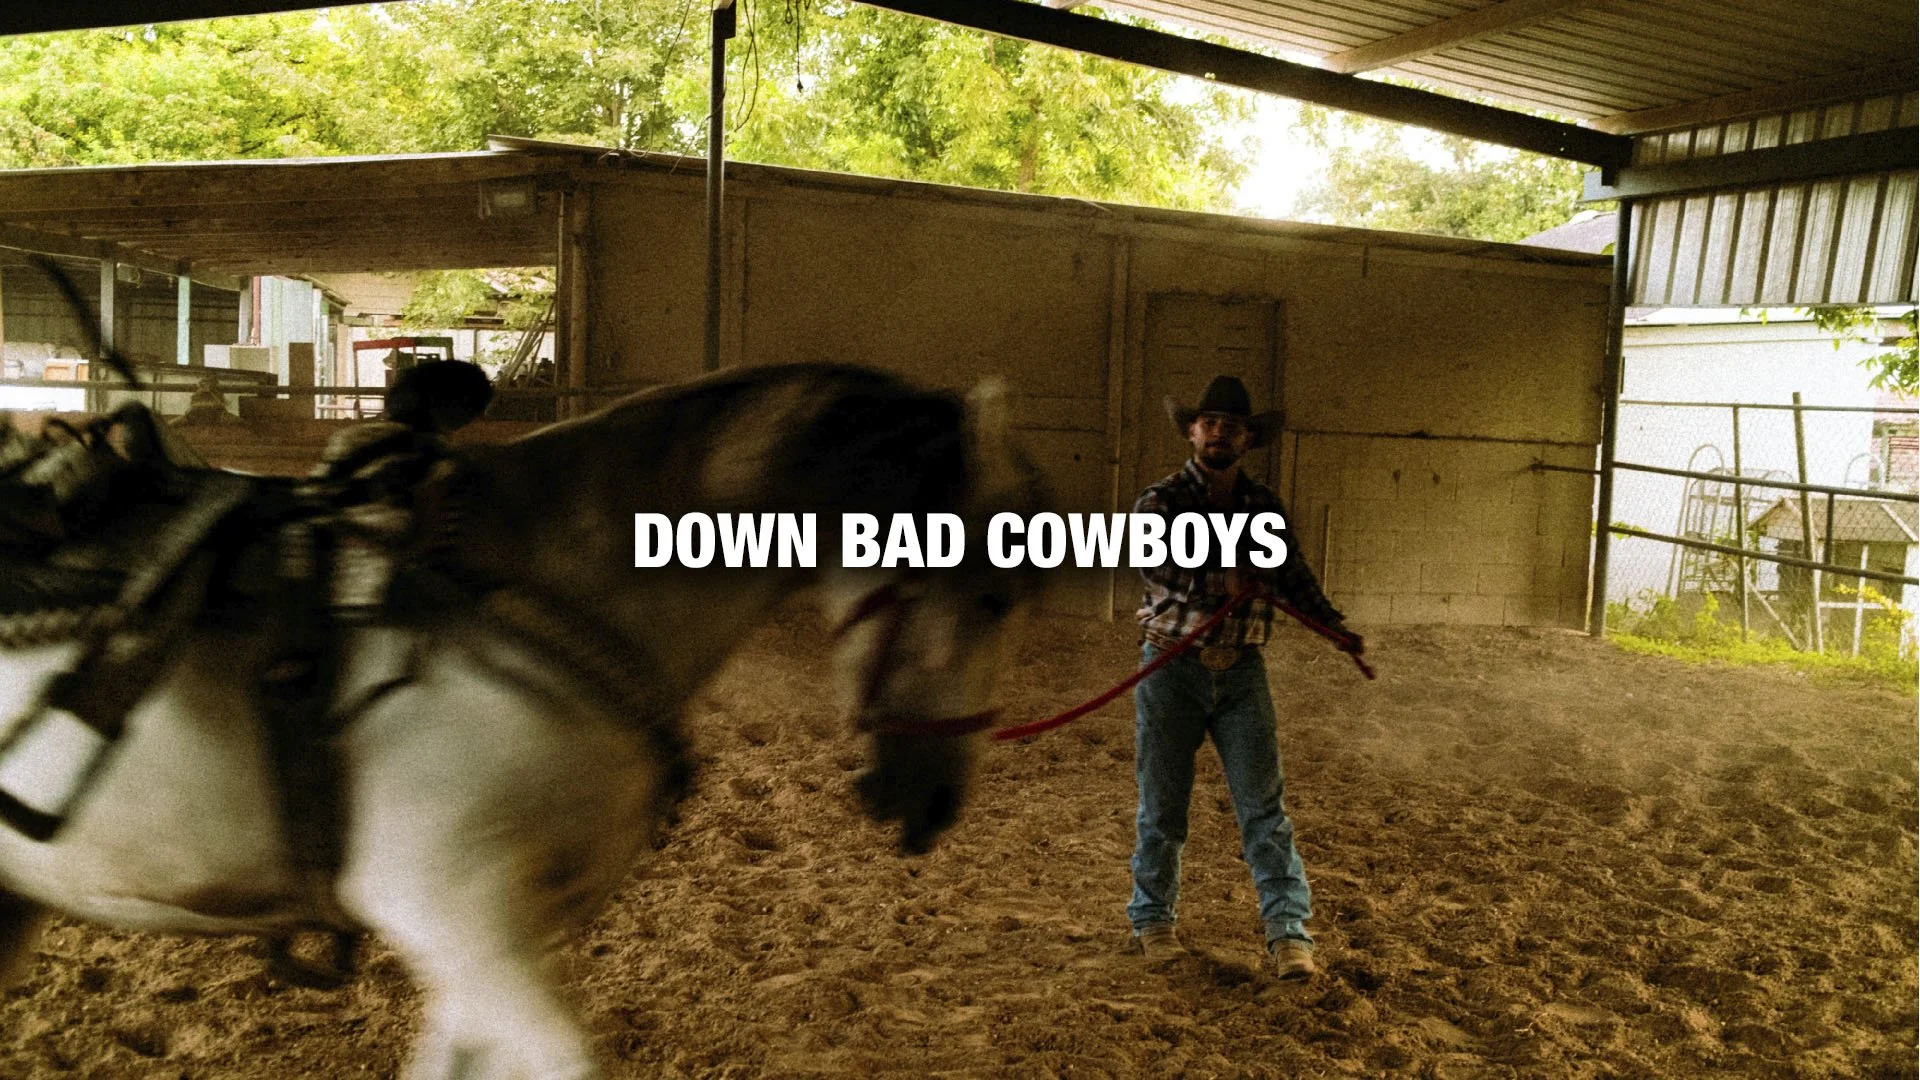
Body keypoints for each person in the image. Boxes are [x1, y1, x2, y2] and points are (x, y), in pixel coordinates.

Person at [1127, 374, 1355, 982]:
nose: (1219, 432)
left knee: (1264, 808)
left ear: (1247, 438)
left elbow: (1293, 573)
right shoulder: (1162, 500)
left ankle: (1288, 935)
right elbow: (1159, 567)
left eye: (1231, 425)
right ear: (1194, 432)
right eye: (1210, 423)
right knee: (1163, 808)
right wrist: (1220, 578)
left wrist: (1331, 623)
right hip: (1171, 664)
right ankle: (1152, 921)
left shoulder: (1266, 509)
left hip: (1243, 667)